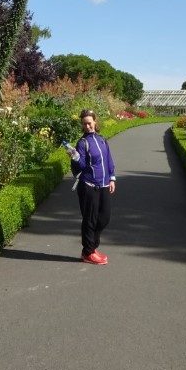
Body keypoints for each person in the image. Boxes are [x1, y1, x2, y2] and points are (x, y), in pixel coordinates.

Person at [67, 109, 116, 265]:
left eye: (89, 122)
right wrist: (75, 157)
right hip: (89, 186)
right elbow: (81, 166)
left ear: (95, 122)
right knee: (90, 220)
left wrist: (112, 178)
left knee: (104, 218)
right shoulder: (83, 143)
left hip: (104, 185)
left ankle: (90, 247)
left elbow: (108, 159)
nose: (87, 126)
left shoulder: (102, 140)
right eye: (84, 124)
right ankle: (88, 252)